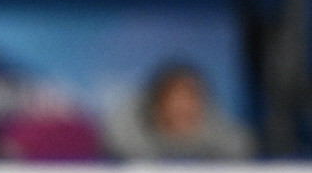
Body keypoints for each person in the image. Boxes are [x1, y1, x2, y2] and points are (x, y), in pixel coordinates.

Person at [103, 63, 255, 159]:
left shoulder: (219, 135)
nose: (182, 108)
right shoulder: (128, 141)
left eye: (189, 100)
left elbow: (241, 145)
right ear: (156, 104)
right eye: (174, 100)